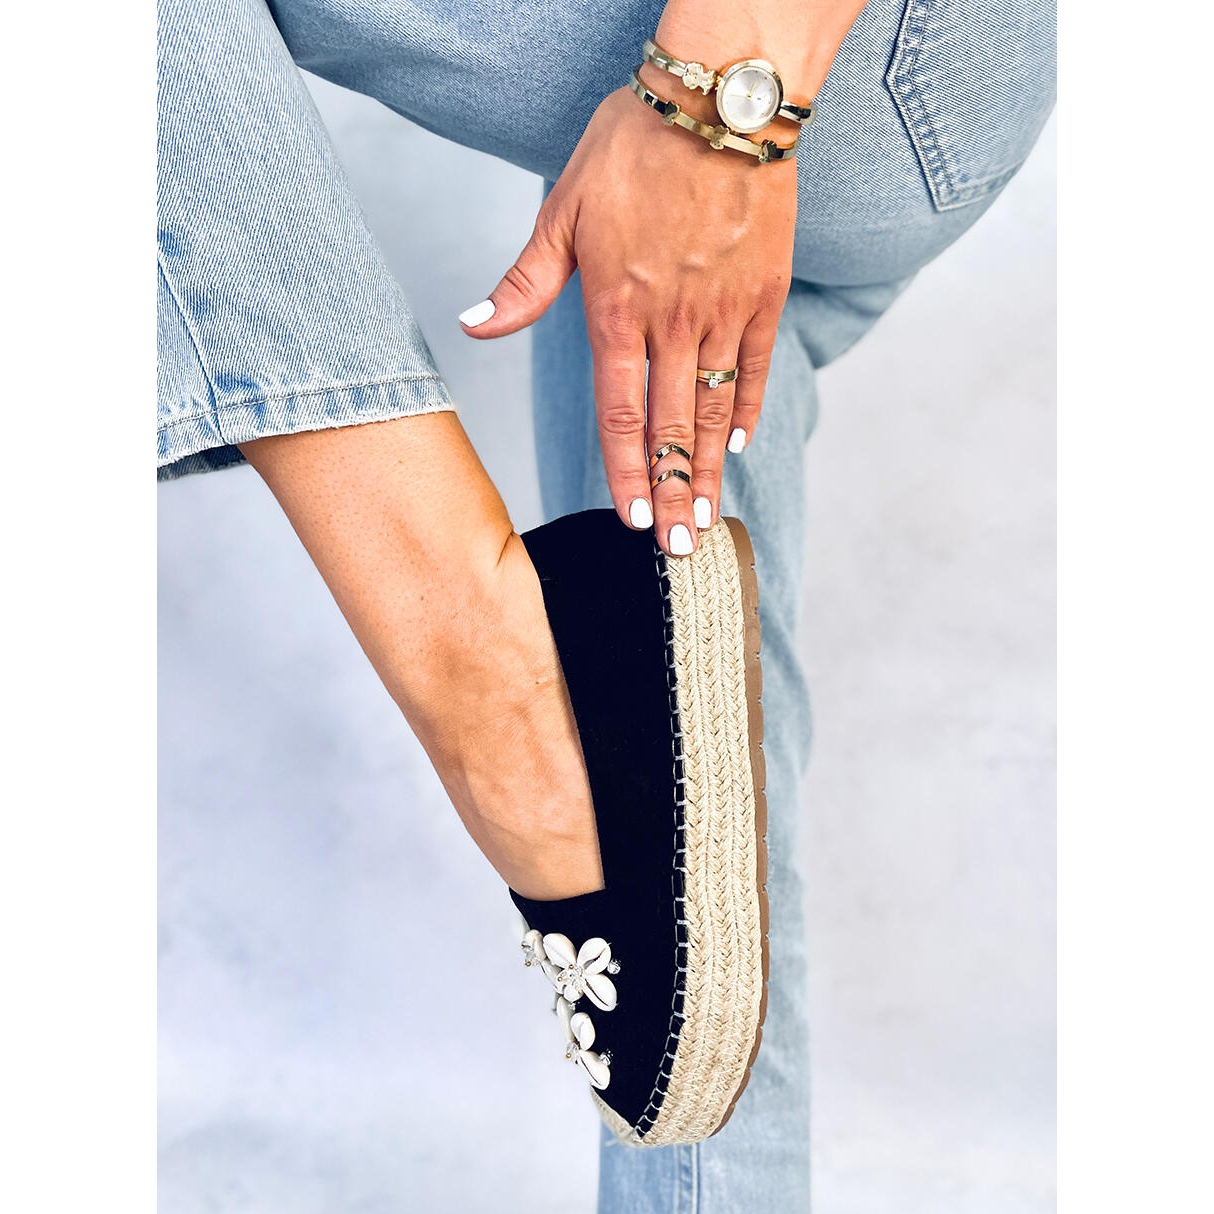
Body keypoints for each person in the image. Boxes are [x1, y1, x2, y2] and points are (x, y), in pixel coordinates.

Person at [157, 0, 1055, 1208]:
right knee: (682, 868)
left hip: (840, 50)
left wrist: (716, 107)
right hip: (850, 79)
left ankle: (484, 665)